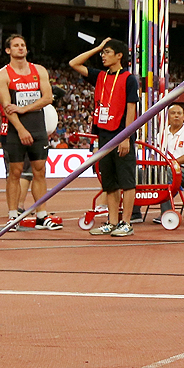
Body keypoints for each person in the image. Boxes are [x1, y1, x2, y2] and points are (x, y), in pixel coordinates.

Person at [69, 37, 139, 237]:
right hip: (104, 134)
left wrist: (126, 137)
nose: (103, 56)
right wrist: (97, 47)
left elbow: (131, 108)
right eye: (102, 52)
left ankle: (126, 223)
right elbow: (74, 63)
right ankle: (112, 221)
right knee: (109, 182)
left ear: (119, 56)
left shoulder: (129, 79)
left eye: (107, 52)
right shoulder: (100, 76)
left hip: (121, 134)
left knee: (126, 180)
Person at [0, 35, 61, 230]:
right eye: (16, 46)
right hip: (16, 130)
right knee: (14, 173)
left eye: (23, 45)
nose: (20, 48)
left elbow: (48, 97)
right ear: (8, 50)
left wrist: (24, 109)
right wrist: (21, 129)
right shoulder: (2, 75)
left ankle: (42, 215)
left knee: (40, 171)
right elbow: (7, 107)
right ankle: (13, 216)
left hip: (37, 126)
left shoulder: (38, 70)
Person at [151, 104, 184, 224]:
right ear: (168, 117)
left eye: (179, 113)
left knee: (165, 174)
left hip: (182, 171)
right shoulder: (161, 134)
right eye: (173, 113)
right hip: (162, 169)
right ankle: (135, 213)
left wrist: (170, 164)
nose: (176, 115)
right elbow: (153, 154)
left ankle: (167, 214)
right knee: (138, 173)